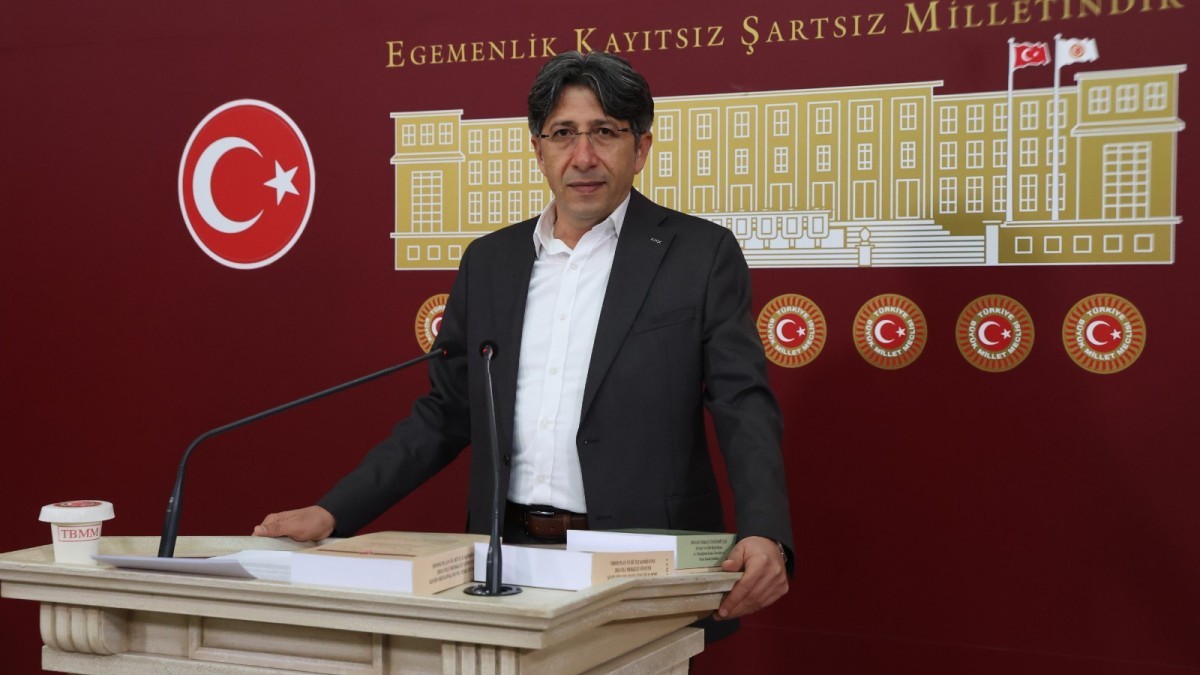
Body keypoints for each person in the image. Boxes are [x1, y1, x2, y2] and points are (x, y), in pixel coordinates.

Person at [255, 50, 792, 628]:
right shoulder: (490, 262)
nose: (583, 157)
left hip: (642, 559)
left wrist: (765, 529)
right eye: (563, 134)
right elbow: (446, 412)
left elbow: (742, 402)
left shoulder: (699, 255)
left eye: (605, 132)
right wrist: (335, 511)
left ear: (640, 148)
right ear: (538, 150)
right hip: (506, 556)